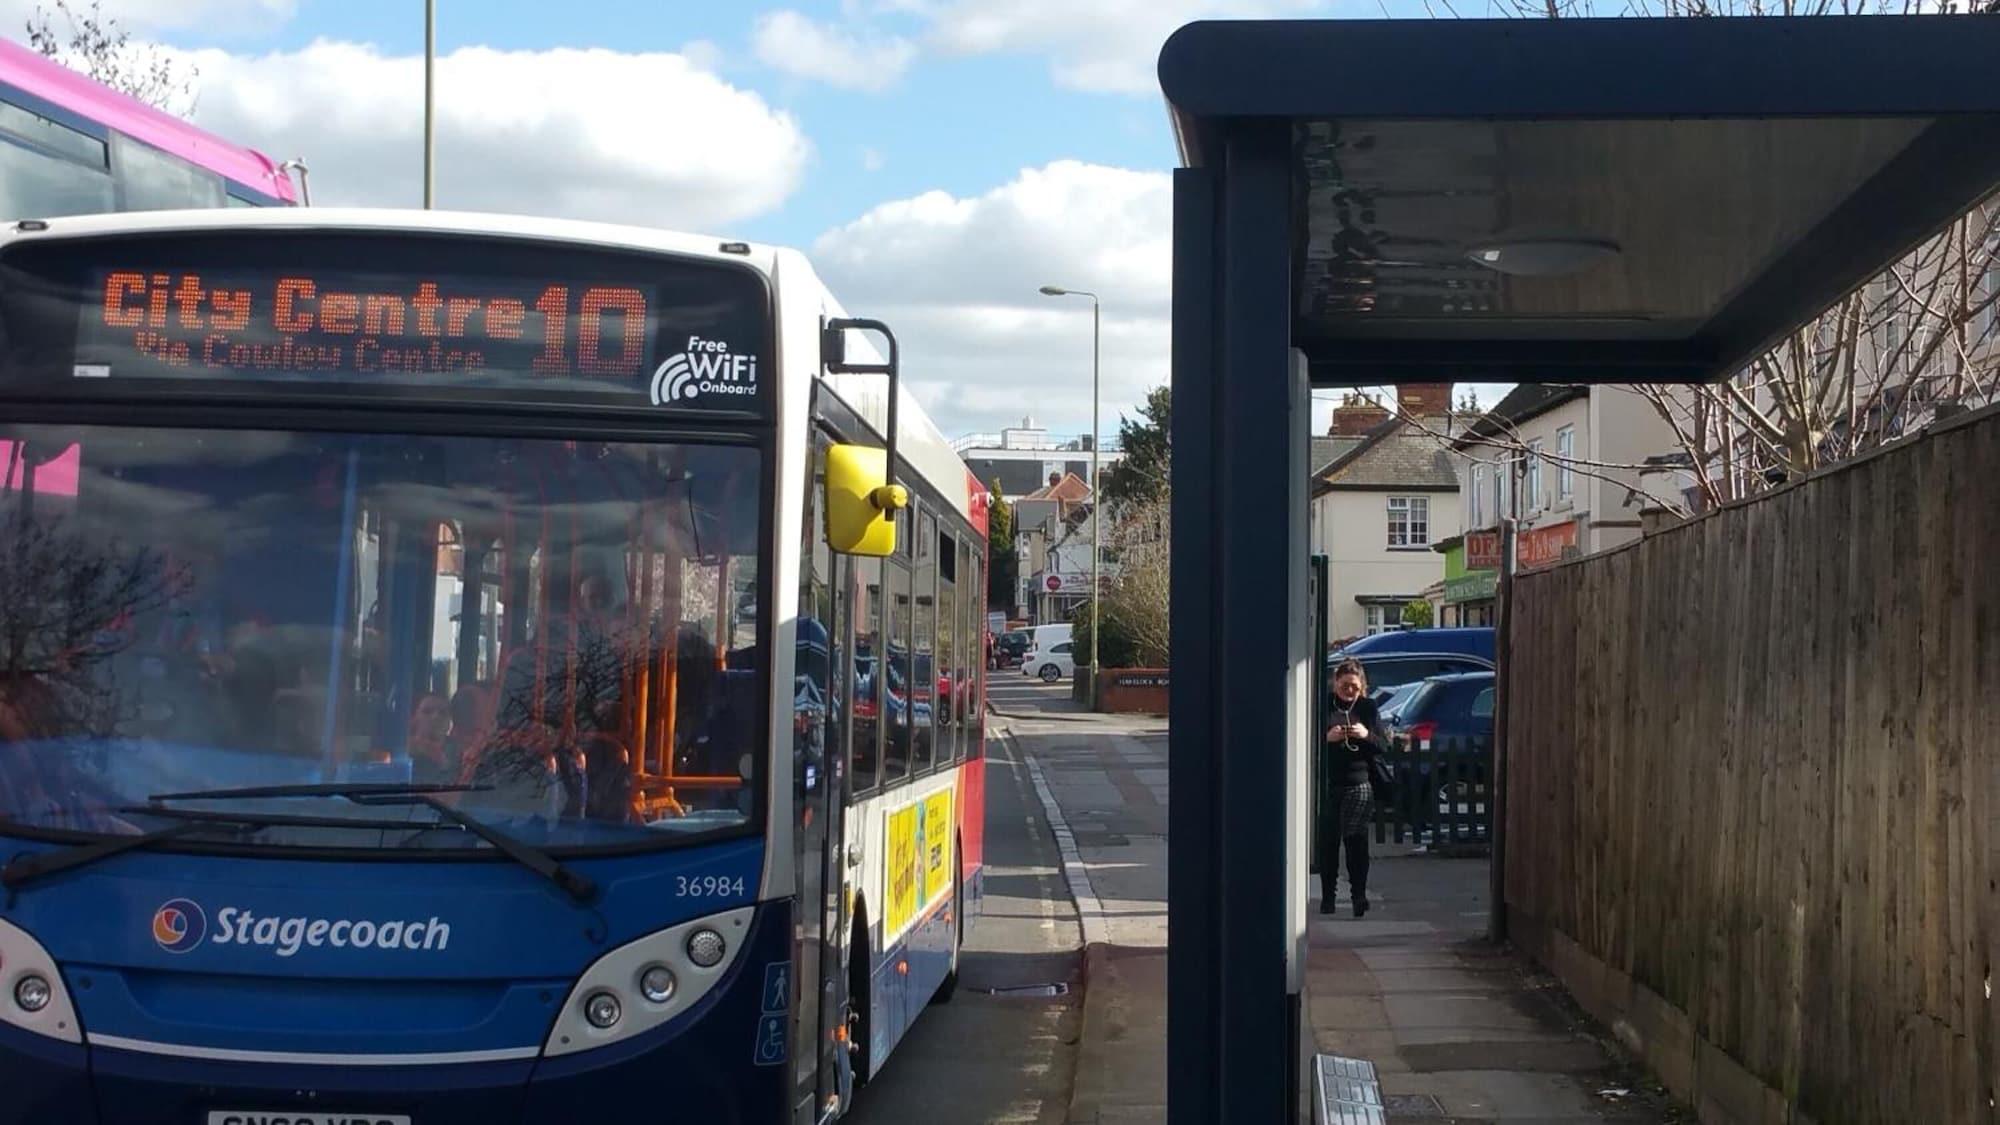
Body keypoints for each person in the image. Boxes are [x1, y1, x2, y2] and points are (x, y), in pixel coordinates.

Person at [1318, 658, 1386, 917]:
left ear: (1362, 688)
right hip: (1329, 782)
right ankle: (1328, 898)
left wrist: (1365, 735)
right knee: (1328, 842)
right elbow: (1307, 738)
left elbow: (1383, 745)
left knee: (1356, 840)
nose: (1349, 692)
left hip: (1359, 782)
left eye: (1354, 688)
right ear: (1335, 682)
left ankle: (1359, 895)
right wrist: (1327, 737)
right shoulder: (1324, 704)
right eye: (1345, 685)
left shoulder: (1367, 707)